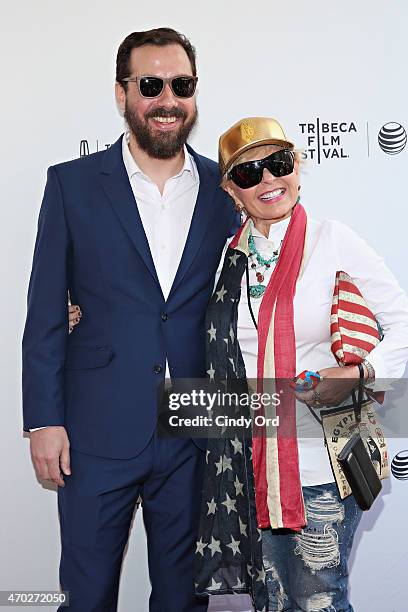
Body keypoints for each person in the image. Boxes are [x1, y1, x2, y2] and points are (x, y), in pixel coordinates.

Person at [22, 28, 238, 612]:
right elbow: (44, 310)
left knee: (182, 600)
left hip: (196, 431)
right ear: (122, 94)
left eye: (182, 85)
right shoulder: (71, 185)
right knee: (85, 598)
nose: (167, 99)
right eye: (151, 84)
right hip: (94, 430)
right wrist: (43, 419)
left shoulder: (228, 189)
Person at [191, 117, 408, 611]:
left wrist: (359, 373)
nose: (267, 179)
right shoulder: (228, 259)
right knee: (271, 601)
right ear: (231, 190)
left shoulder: (333, 240)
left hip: (323, 462)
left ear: (297, 168)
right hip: (251, 467)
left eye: (278, 163)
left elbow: (403, 325)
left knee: (319, 600)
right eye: (249, 173)